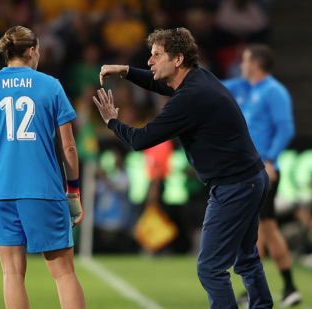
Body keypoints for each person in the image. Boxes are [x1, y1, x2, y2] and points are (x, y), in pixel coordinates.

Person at [94, 27, 273, 309]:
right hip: (251, 179)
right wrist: (126, 70)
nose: (150, 61)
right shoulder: (199, 79)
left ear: (177, 60)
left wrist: (112, 121)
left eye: (156, 55)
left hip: (234, 187)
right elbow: (159, 84)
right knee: (246, 258)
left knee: (210, 268)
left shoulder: (188, 99)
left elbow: (141, 140)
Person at [0, 26, 86, 309]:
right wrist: (73, 193)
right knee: (64, 273)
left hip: (0, 191)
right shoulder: (51, 85)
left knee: (12, 273)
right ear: (31, 51)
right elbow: (68, 147)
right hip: (43, 190)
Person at [223, 44, 300, 307]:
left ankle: (286, 287)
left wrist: (270, 159)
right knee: (256, 231)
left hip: (262, 170)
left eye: (244, 61)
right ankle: (269, 288)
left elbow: (286, 129)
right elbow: (214, 85)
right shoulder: (246, 88)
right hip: (247, 171)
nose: (240, 65)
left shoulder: (274, 91)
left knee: (264, 228)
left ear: (255, 63)